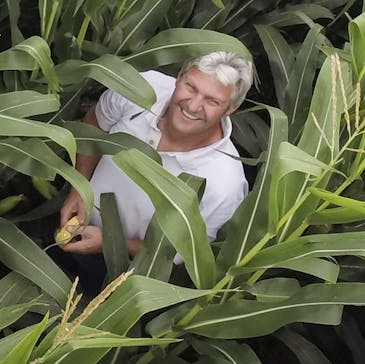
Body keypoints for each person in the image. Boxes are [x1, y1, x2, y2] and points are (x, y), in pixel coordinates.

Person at [57, 51, 254, 261]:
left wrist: (110, 242)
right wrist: (79, 188)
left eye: (212, 101)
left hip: (128, 270)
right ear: (179, 77)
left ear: (231, 109)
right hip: (71, 216)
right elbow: (95, 125)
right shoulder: (139, 88)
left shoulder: (226, 184)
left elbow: (186, 252)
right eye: (191, 87)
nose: (193, 106)